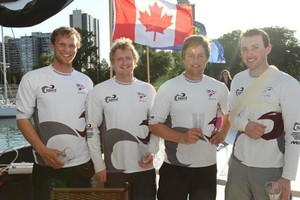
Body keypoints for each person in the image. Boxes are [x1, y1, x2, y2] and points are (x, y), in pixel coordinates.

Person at [15, 26, 94, 200]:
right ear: (52, 46)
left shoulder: (86, 81)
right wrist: (42, 150)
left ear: (77, 48)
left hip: (82, 165)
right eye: (62, 45)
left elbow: (91, 123)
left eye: (72, 46)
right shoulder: (33, 78)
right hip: (47, 164)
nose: (67, 50)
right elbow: (22, 118)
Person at [148, 34, 231, 200]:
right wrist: (182, 137)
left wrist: (223, 133)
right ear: (183, 58)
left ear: (207, 58)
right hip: (174, 167)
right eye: (191, 56)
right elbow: (154, 124)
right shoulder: (169, 87)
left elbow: (230, 114)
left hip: (206, 168)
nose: (196, 61)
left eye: (200, 56)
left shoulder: (219, 87)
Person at [225, 28, 300, 200]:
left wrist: (287, 177)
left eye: (255, 47)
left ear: (268, 48)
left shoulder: (287, 84)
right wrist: (245, 125)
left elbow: (295, 133)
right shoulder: (237, 79)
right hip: (238, 166)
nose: (249, 54)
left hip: (271, 169)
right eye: (244, 49)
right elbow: (231, 117)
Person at [86, 37, 159, 200]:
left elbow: (156, 126)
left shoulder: (148, 90)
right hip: (113, 170)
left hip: (144, 168)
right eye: (119, 58)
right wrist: (98, 164)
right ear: (112, 62)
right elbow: (91, 129)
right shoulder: (99, 91)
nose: (124, 62)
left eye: (128, 58)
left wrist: (153, 151)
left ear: (135, 60)